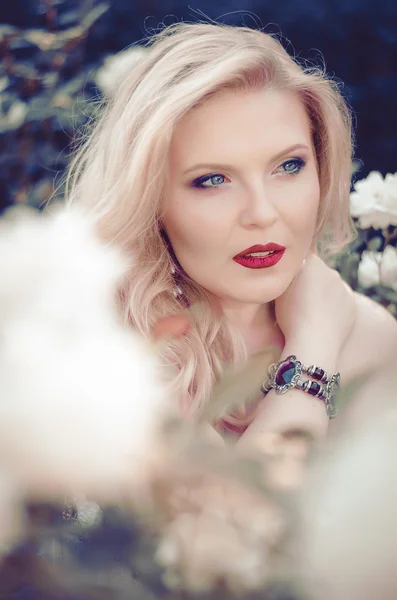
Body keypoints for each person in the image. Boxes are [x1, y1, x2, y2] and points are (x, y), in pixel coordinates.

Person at [64, 22, 397, 446]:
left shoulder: (373, 339)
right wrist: (313, 348)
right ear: (149, 198)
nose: (262, 213)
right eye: (213, 180)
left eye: (288, 166)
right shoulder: (110, 350)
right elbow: (238, 513)